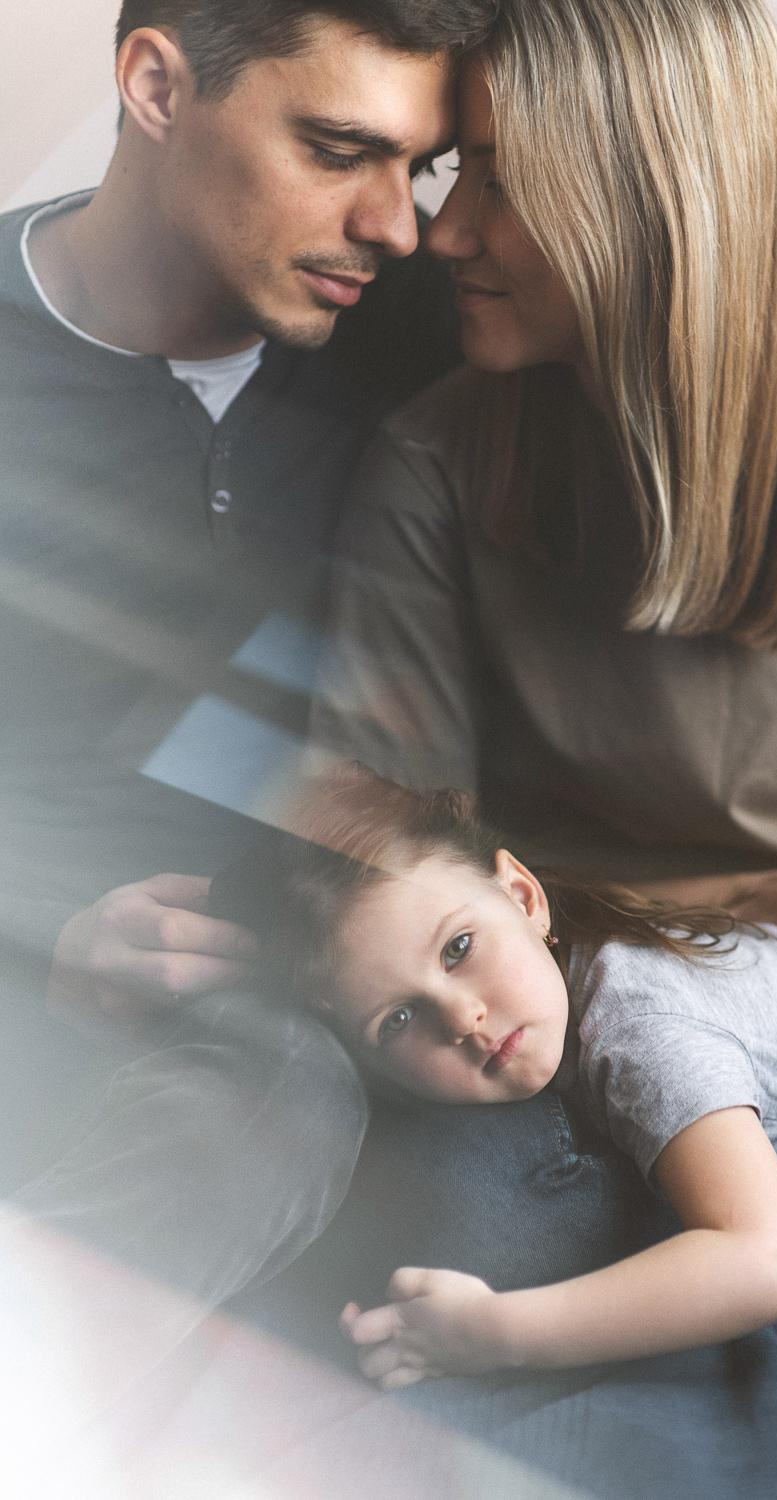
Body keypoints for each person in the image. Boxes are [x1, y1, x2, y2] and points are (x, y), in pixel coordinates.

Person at [312, 0, 777, 1178]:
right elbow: (387, 886)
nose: (441, 234)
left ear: (651, 193)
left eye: (496, 180)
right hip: (601, 977)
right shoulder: (430, 465)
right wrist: (740, 891)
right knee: (467, 1212)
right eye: (451, 175)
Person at [0, 0, 497, 1426]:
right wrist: (49, 939)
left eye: (421, 166)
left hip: (298, 997)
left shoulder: (423, 334)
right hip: (45, 968)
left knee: (282, 1092)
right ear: (156, 83)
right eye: (339, 148)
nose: (396, 224)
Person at [209, 767, 777, 1388]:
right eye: (400, 1021)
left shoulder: (637, 1031)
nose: (464, 1021)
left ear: (523, 895)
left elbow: (765, 1264)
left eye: (457, 950)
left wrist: (494, 1334)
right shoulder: (580, 961)